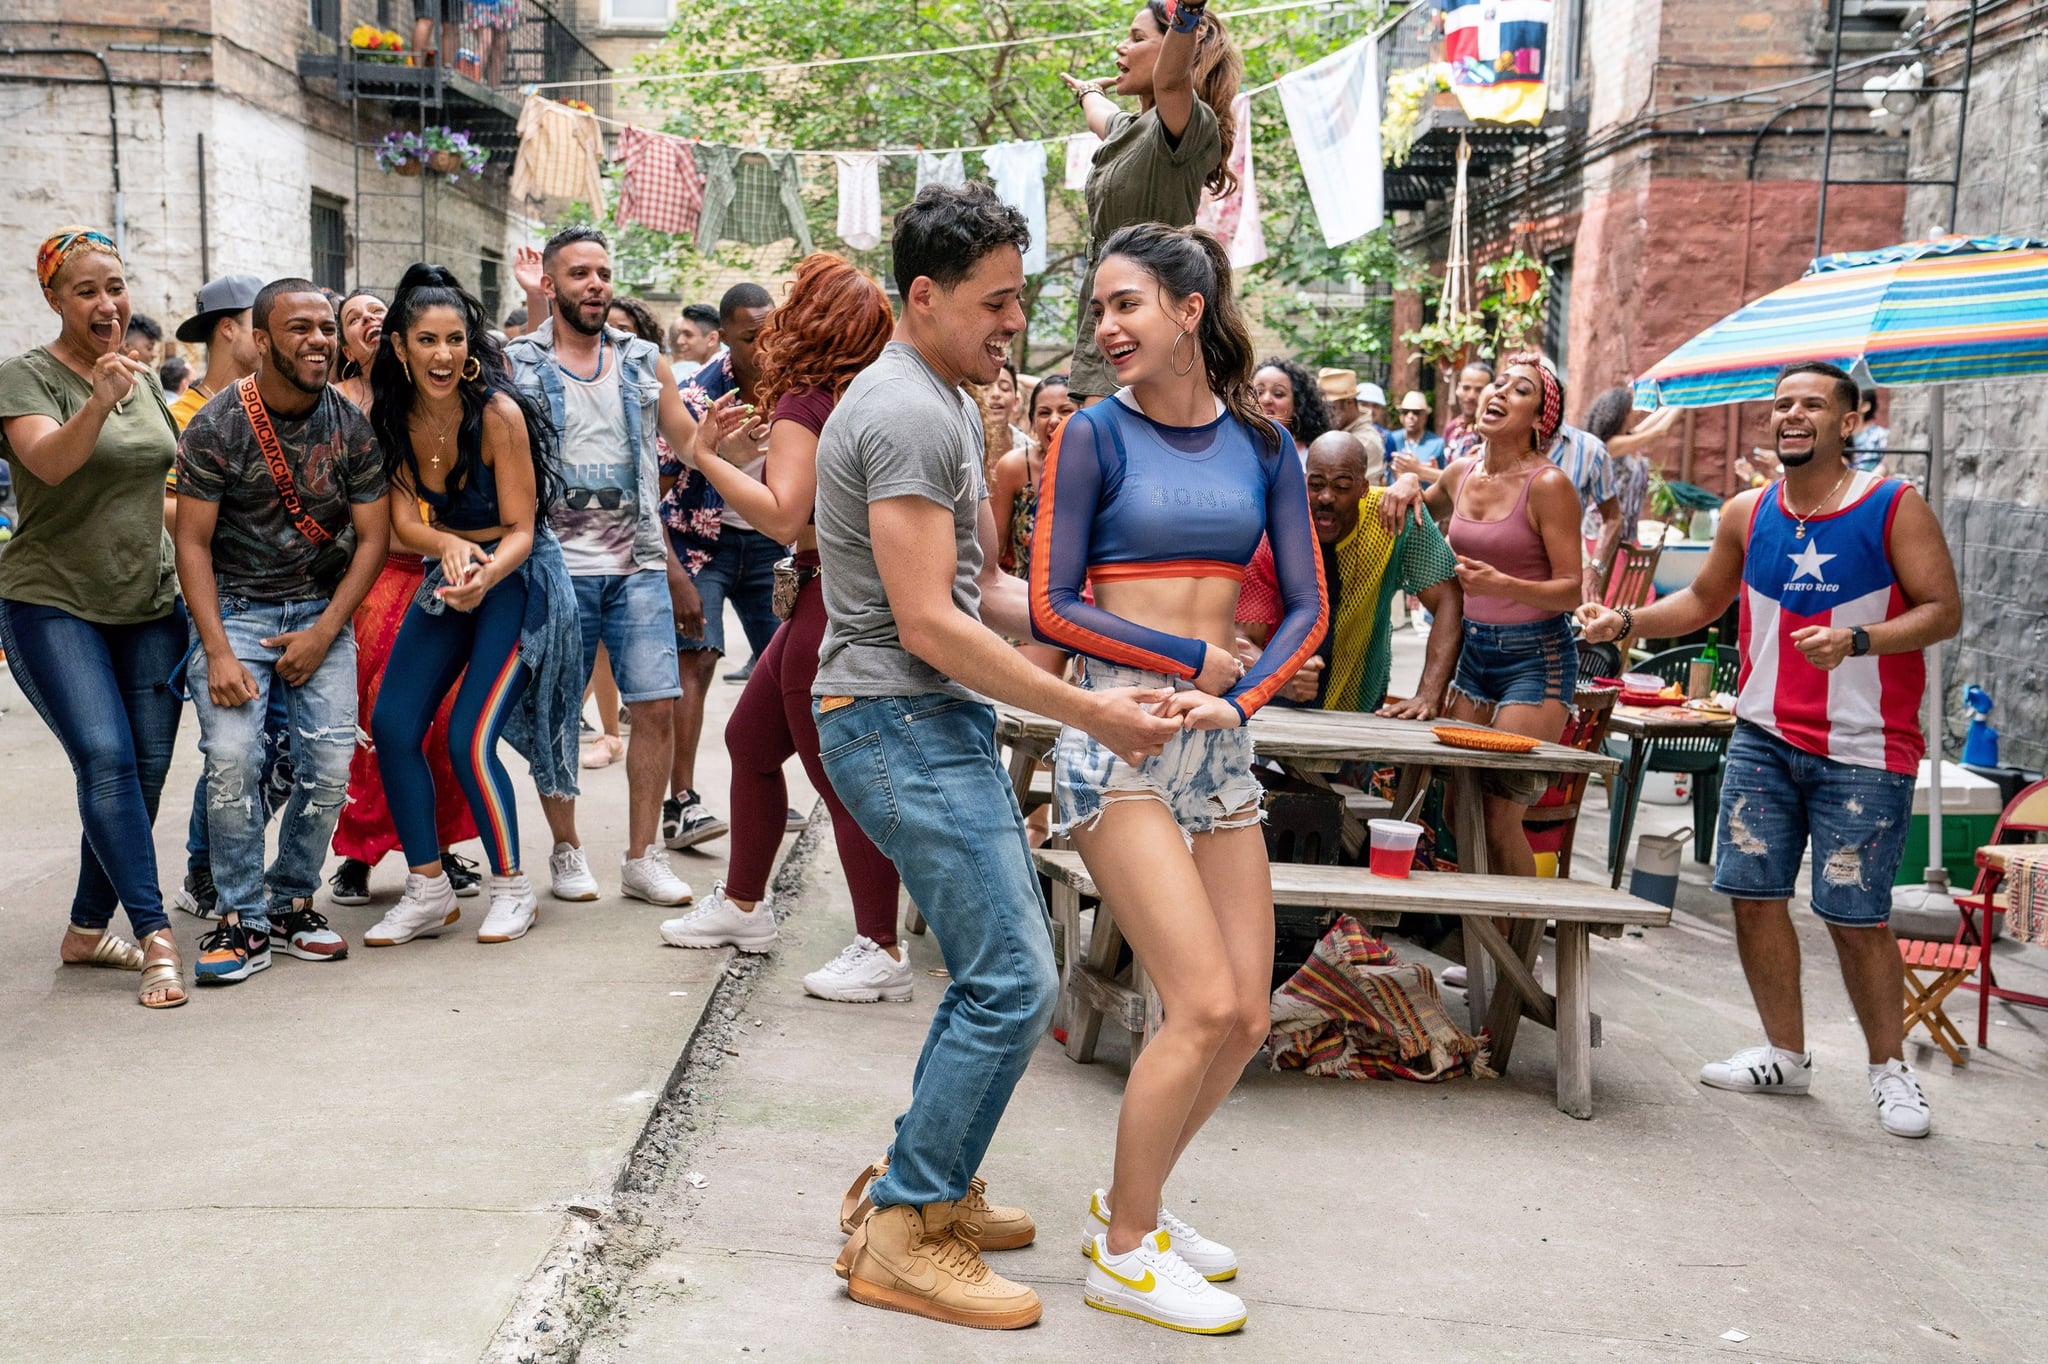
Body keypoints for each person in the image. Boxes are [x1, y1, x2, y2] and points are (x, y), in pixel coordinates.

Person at [817, 184, 1182, 1330]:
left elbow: (988, 593)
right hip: (895, 717)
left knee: (993, 966)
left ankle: (920, 1184)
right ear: (920, 297)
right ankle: (902, 1227)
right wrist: (1091, 716)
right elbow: (929, 621)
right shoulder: (910, 412)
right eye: (996, 301)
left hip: (919, 718)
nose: (1015, 322)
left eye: (1018, 296)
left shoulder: (935, 397)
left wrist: (1138, 645)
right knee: (1016, 978)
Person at [1027, 221, 1324, 1335]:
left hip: (1216, 740)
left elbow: (1306, 608)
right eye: (1099, 308)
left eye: (1126, 305)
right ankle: (1121, 1252)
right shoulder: (1092, 435)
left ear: (1189, 310)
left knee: (1244, 1011)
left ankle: (1134, 1206)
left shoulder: (1263, 447)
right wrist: (1186, 660)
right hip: (1119, 731)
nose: (1105, 327)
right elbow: (1055, 605)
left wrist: (1236, 699)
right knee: (1196, 999)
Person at [1578, 361, 1961, 1140]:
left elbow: (1942, 611)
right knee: (1752, 898)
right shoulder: (1747, 511)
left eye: (1812, 404)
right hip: (1760, 735)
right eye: (1782, 403)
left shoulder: (1894, 504)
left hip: (1866, 747)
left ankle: (1890, 1072)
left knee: (1856, 917)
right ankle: (1785, 1054)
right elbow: (1702, 601)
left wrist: (1860, 640)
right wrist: (1622, 623)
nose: (1791, 414)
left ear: (1849, 422)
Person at [654, 254, 912, 1004]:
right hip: (831, 592)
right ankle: (742, 905)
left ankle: (882, 946)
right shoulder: (859, 394)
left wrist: (705, 455)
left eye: (796, 301)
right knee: (749, 742)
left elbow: (782, 515)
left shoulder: (804, 400)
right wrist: (747, 458)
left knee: (838, 779)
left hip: (827, 595)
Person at [172, 277, 391, 985]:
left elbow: (373, 541)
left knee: (328, 770)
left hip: (319, 615)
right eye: (300, 328)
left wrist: (326, 631)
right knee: (233, 759)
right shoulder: (216, 425)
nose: (319, 340)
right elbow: (193, 545)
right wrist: (214, 650)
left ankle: (292, 898)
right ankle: (239, 918)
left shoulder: (352, 427)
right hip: (236, 612)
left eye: (326, 327)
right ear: (261, 341)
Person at [363, 264, 582, 946]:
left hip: (518, 579)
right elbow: (406, 524)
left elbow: (523, 528)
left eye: (455, 339)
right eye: (426, 340)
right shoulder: (392, 414)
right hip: (452, 575)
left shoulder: (498, 413)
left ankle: (513, 888)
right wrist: (449, 545)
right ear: (399, 347)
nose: (443, 354)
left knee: (468, 738)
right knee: (394, 725)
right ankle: (428, 890)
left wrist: (480, 571)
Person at [0, 227, 190, 1008]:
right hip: (53, 602)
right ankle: (155, 936)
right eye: (86, 290)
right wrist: (100, 401)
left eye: (114, 286)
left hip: (149, 601)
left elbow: (164, 491)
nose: (107, 303)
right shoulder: (25, 377)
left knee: (139, 778)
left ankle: (85, 929)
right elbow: (49, 462)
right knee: (106, 760)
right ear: (54, 299)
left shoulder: (142, 379)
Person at [506, 225, 701, 905]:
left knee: (655, 706)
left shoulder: (645, 360)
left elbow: (688, 442)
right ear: (553, 284)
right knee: (557, 711)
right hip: (556, 568)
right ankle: (566, 848)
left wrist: (723, 446)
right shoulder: (518, 362)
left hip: (636, 561)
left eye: (603, 273)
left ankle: (642, 857)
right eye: (580, 273)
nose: (595, 284)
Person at [326, 286, 484, 909]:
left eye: (376, 310)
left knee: (442, 721)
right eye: (353, 316)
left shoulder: (431, 395)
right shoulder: (335, 403)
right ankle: (357, 856)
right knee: (371, 724)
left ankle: (440, 849)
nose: (367, 318)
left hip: (438, 572)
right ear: (345, 343)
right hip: (371, 579)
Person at [1415, 352, 1583, 877]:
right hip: (1476, 654)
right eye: (1499, 385)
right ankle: (1478, 943)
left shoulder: (1548, 484)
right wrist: (1402, 488)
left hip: (1535, 659)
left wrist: (1502, 584)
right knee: (1453, 804)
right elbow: (1421, 508)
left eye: (1520, 390)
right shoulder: (1462, 472)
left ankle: (1515, 952)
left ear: (1540, 421)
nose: (1500, 393)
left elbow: (1573, 591)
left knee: (1496, 812)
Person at [1062, 0, 1239, 402]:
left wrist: (1187, 14)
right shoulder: (1127, 128)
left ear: (1175, 52)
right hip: (1106, 306)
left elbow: (1172, 83)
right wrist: (1088, 89)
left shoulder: (1184, 128)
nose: (1120, 48)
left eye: (1137, 38)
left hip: (1147, 313)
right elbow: (1098, 111)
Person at [661, 282, 785, 846]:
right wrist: (674, 572)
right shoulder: (696, 395)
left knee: (787, 665)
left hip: (767, 543)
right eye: (751, 336)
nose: (765, 345)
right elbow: (656, 489)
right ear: (724, 338)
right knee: (698, 660)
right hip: (700, 545)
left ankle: (768, 791)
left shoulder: (796, 386)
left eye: (771, 331)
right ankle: (681, 803)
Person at [1239, 429, 1462, 717]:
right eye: (1316, 484)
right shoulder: (1274, 529)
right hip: (1273, 706)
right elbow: (1240, 637)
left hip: (1360, 702)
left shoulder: (1391, 520)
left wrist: (1428, 694)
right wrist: (1279, 678)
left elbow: (1449, 598)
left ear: (1364, 488)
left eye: (1342, 487)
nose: (1327, 497)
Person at [991, 370, 1076, 676]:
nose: (1053, 420)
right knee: (1036, 697)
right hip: (1030, 604)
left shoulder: (1102, 466)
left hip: (1095, 607)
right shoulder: (1014, 467)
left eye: (1065, 411)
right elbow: (993, 555)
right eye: (1044, 412)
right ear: (1030, 421)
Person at [1583, 386, 1681, 554]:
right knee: (1618, 581)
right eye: (1631, 409)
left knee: (1639, 581)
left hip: (1627, 534)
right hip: (1602, 533)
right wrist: (1686, 401)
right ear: (1619, 414)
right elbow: (1660, 430)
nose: (1635, 412)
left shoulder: (1628, 438)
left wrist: (1681, 396)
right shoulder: (1611, 446)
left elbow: (1655, 420)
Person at [169, 273, 264, 430]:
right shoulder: (180, 421)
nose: (270, 338)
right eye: (261, 324)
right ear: (228, 328)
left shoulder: (272, 408)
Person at [1546, 417, 1622, 602]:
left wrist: (1594, 569)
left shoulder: (1589, 449)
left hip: (1559, 587)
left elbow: (1613, 516)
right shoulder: (1485, 451)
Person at [1252, 355, 1332, 450]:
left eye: (1278, 394)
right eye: (1258, 392)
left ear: (1298, 403)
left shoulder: (1313, 454)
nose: (1266, 400)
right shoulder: (1233, 447)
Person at [1317, 366, 1386, 455]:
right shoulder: (1337, 429)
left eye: (1330, 407)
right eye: (1323, 407)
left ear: (1349, 403)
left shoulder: (1365, 442)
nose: (1325, 413)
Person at [1385, 388, 1447, 483]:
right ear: (1400, 416)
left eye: (1416, 412)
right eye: (1405, 412)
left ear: (1425, 416)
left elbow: (1445, 478)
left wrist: (1424, 471)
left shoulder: (1437, 443)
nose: (1410, 416)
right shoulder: (1391, 438)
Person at [1442, 361, 1493, 462]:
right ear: (1458, 389)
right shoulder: (1451, 427)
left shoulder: (1494, 428)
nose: (1471, 396)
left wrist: (1422, 470)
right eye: (1466, 388)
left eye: (1479, 390)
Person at [668, 302, 723, 384]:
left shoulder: (725, 374)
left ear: (712, 339)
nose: (680, 341)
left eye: (688, 335)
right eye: (680, 334)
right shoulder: (700, 373)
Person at [1850, 389, 1889, 474]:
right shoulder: (1840, 434)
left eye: (1853, 399)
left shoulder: (1880, 435)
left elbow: (1886, 464)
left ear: (1865, 407)